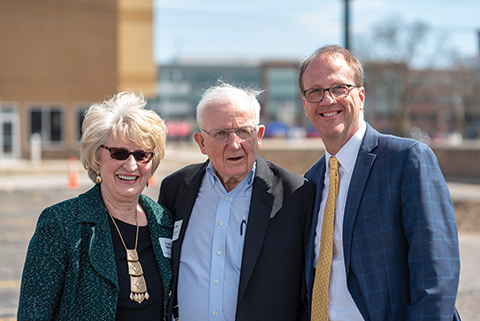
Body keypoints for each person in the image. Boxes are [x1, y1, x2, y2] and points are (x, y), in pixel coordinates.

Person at [299, 44, 461, 320]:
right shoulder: (310, 182)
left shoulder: (406, 160)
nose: (327, 100)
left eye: (339, 87)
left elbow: (437, 274)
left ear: (361, 96)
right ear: (305, 104)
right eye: (315, 91)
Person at [158, 83, 315, 321]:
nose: (234, 144)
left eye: (243, 132)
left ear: (259, 136)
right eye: (220, 134)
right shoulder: (176, 189)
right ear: (201, 142)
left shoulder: (296, 194)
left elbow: (308, 290)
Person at [18, 91, 173, 320]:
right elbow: (34, 313)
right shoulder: (61, 224)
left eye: (142, 155)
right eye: (119, 153)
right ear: (96, 158)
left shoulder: (164, 221)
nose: (131, 166)